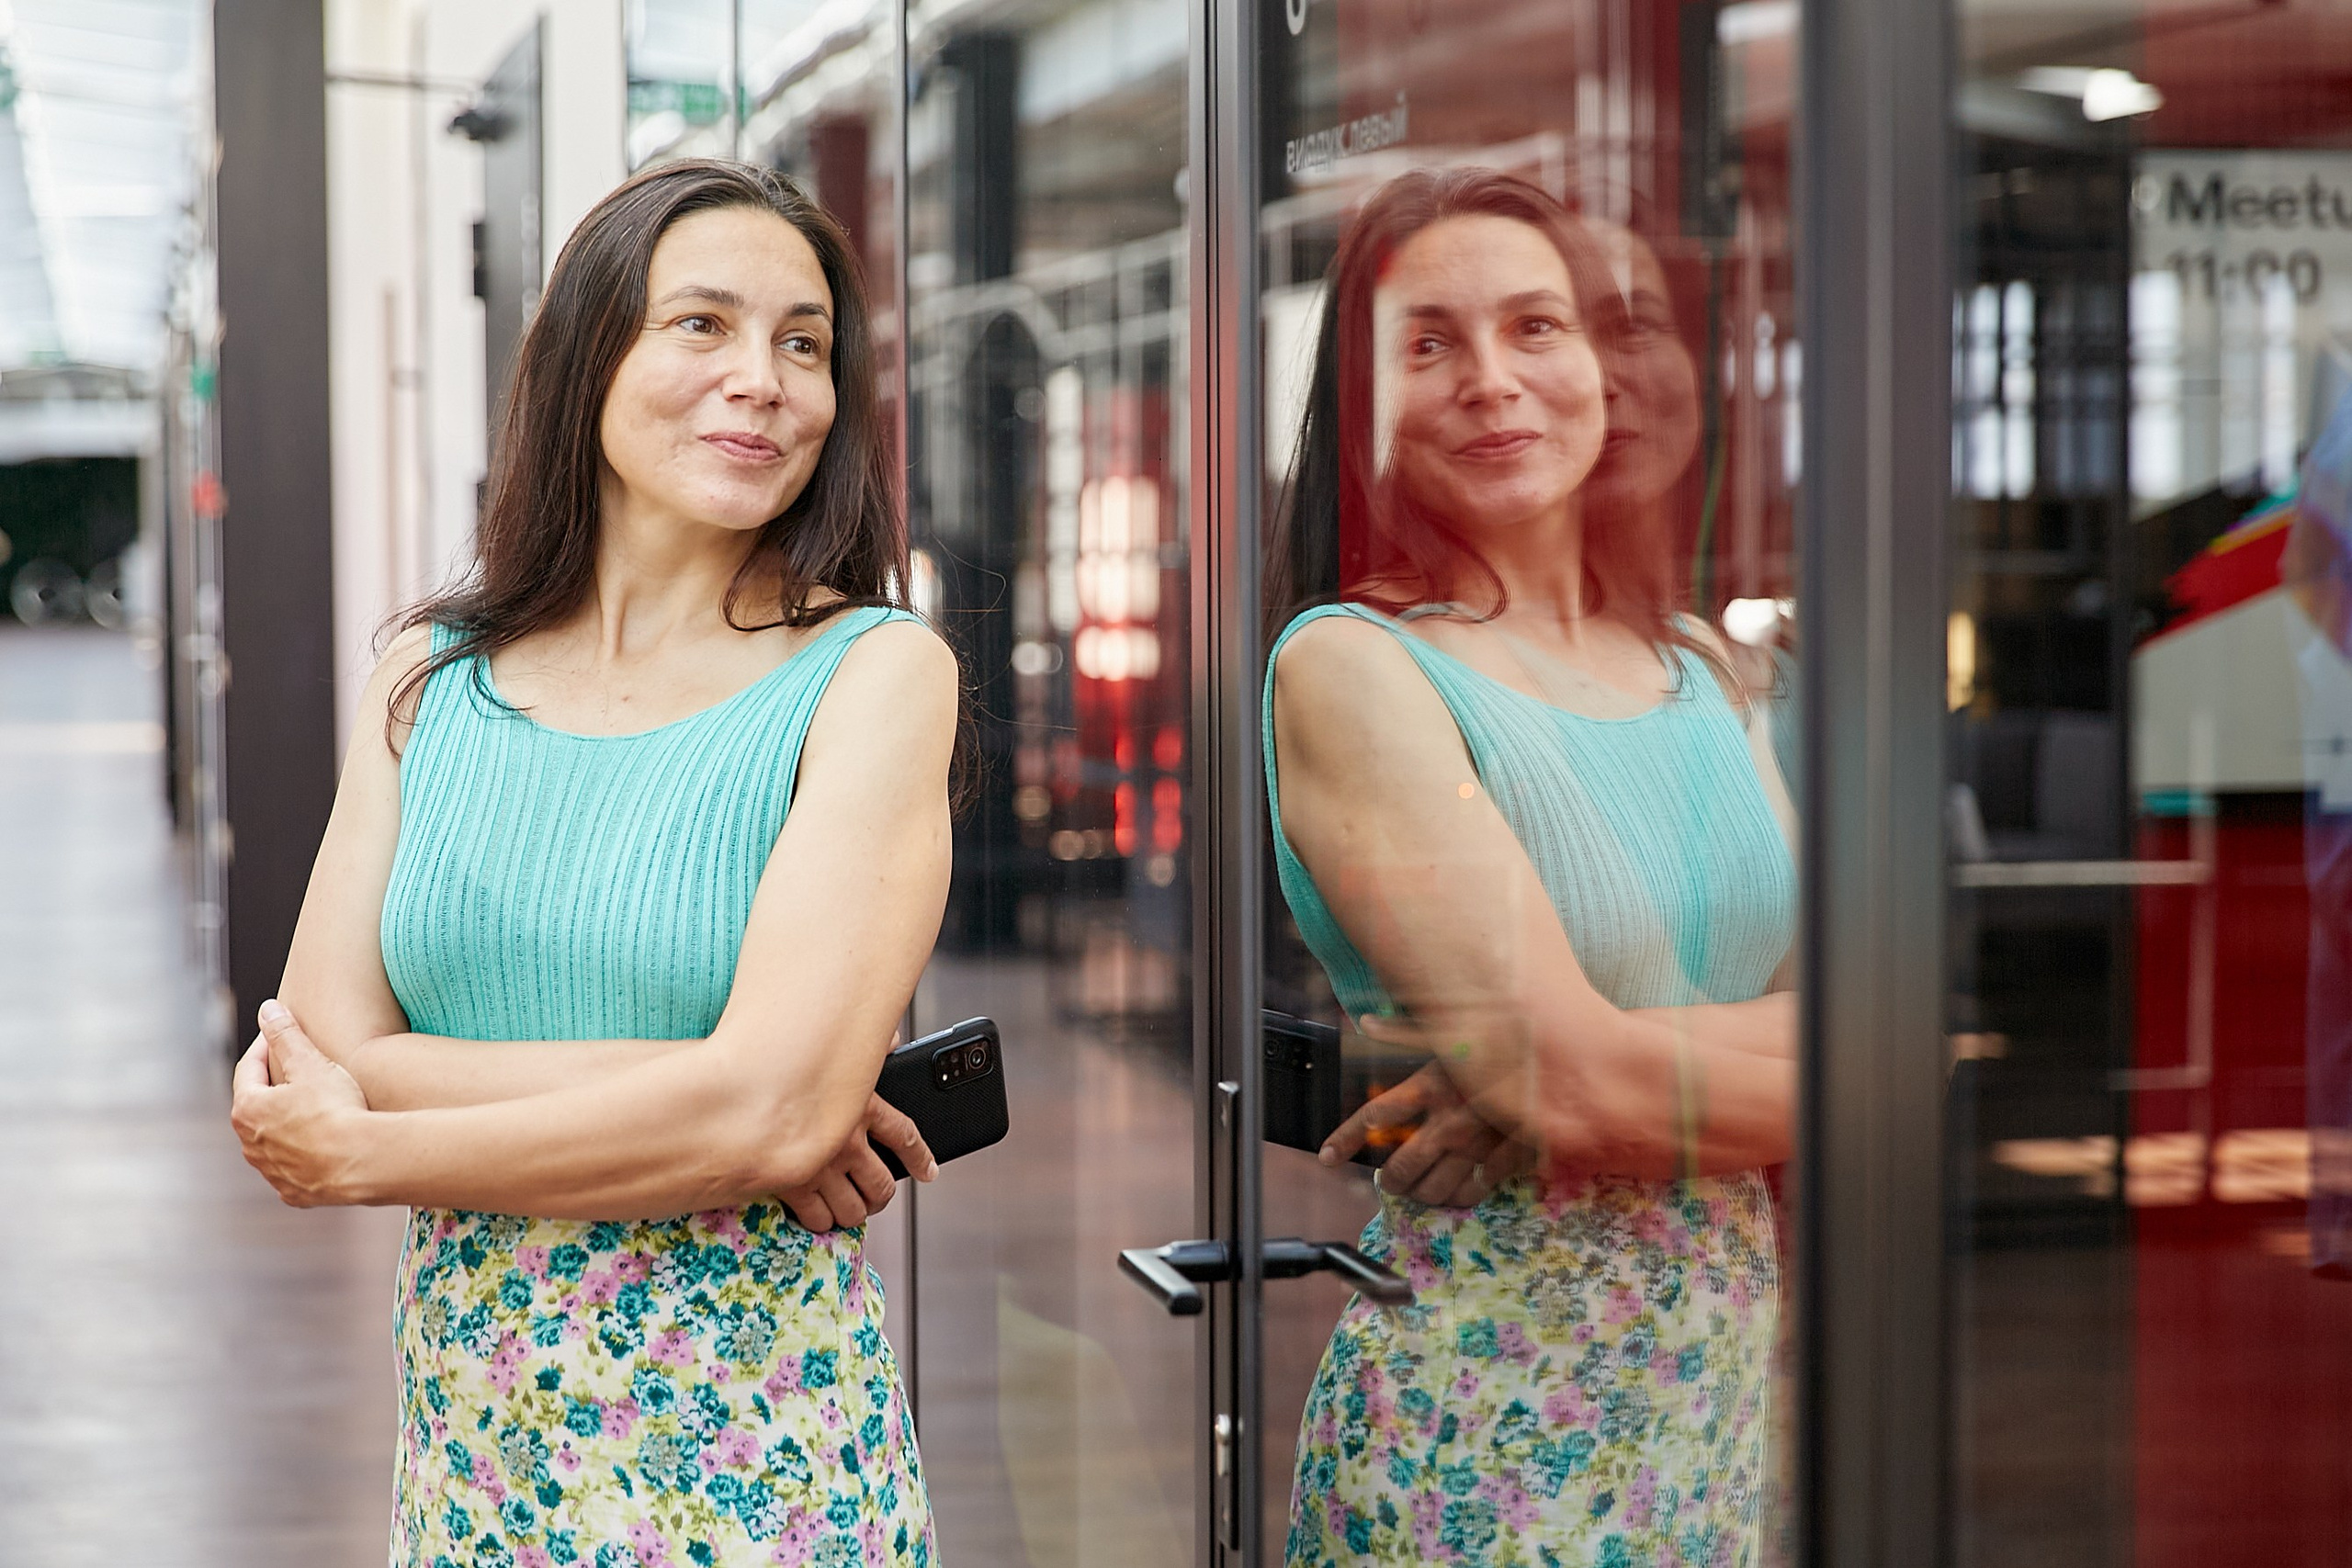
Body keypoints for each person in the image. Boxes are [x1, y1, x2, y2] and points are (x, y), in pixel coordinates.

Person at [228, 160, 956, 1568]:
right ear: (586, 356)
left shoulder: (873, 673)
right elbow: (323, 1042)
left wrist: (373, 1150)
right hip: (476, 1458)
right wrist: (717, 1087)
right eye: (702, 324)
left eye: (804, 344)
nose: (762, 380)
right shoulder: (430, 676)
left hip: (756, 1463)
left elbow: (772, 1116)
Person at [1263, 168, 1796, 1567]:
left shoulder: (1705, 668)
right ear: (1367, 408)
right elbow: (1577, 1086)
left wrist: (1589, 1070)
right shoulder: (1353, 666)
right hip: (1481, 1429)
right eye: (1430, 343)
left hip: (1708, 1413)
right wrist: (1575, 1084)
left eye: (1535, 327)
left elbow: (1881, 1033)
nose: (1493, 380)